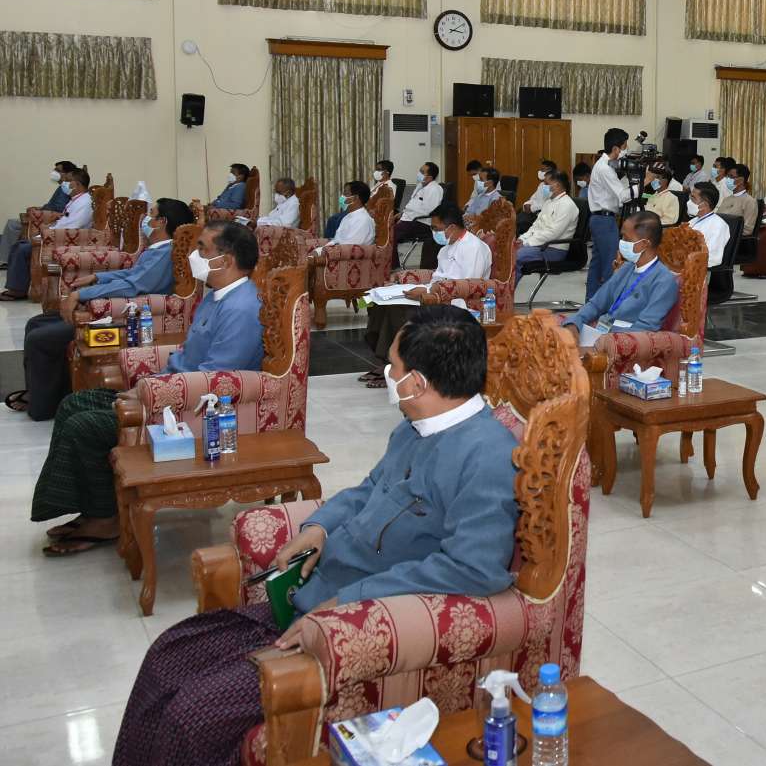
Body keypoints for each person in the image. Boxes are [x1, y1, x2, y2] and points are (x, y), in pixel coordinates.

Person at [114, 305, 518, 765]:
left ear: (418, 383)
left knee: (192, 715)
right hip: (311, 598)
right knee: (166, 657)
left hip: (346, 630)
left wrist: (352, 602)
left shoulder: (486, 457)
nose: (388, 374)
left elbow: (473, 568)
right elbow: (370, 489)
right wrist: (320, 527)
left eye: (393, 367)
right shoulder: (416, 428)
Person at [31, 221, 264, 556]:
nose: (193, 255)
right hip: (169, 391)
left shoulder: (241, 308)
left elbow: (216, 380)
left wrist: (147, 394)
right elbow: (186, 356)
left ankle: (105, 521)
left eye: (202, 248)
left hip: (194, 411)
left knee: (86, 427)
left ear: (225, 260)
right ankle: (97, 508)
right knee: (74, 404)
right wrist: (148, 384)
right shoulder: (216, 296)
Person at [10, 198, 193, 420]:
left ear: (162, 222)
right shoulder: (157, 249)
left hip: (126, 316)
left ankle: (43, 406)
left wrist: (82, 294)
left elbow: (134, 285)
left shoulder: (165, 253)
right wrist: (98, 277)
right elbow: (131, 274)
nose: (146, 220)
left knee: (40, 339)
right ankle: (40, 392)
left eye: (151, 215)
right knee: (36, 323)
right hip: (117, 306)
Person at [361, 203, 493, 384]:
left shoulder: (474, 248)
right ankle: (387, 362)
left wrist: (428, 291)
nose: (433, 232)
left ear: (451, 227)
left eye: (436, 228)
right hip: (434, 295)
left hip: (459, 303)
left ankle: (403, 367)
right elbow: (438, 276)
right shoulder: (446, 248)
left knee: (398, 310)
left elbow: (468, 284)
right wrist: (416, 288)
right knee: (378, 304)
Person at [564, 211, 679, 338]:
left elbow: (645, 328)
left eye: (626, 239)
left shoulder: (664, 281)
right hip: (600, 333)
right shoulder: (626, 268)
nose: (621, 242)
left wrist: (606, 339)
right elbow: (596, 304)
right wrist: (575, 322)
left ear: (644, 244)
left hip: (623, 342)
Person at [3, 167, 96, 299]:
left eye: (68, 181)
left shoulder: (85, 202)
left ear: (78, 184)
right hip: (56, 236)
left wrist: (47, 233)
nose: (64, 183)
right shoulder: (76, 199)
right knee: (19, 245)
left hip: (64, 241)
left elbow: (72, 226)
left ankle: (17, 290)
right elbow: (65, 220)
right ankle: (18, 287)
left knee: (22, 249)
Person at [0, 159, 76, 264]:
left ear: (67, 174)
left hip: (48, 220)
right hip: (44, 215)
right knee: (13, 223)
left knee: (12, 224)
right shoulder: (63, 187)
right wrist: (38, 208)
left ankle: (5, 260)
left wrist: (38, 211)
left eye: (58, 170)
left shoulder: (66, 188)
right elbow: (52, 206)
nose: (54, 172)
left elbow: (58, 209)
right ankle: (11, 259)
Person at [586, 130, 633, 299]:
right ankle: (606, 305)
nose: (626, 151)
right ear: (615, 149)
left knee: (597, 265)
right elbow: (623, 196)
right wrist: (646, 180)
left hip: (599, 219)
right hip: (605, 221)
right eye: (625, 147)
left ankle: (591, 302)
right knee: (610, 265)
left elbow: (614, 190)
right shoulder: (605, 168)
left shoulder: (604, 165)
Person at [515, 171, 580, 283]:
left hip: (554, 249)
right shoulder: (549, 202)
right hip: (539, 245)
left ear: (557, 185)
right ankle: (505, 291)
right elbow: (535, 226)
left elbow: (553, 233)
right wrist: (522, 238)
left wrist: (527, 243)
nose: (543, 187)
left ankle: (506, 292)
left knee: (515, 256)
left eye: (546, 184)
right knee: (509, 254)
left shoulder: (567, 205)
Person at [395, 161, 444, 269]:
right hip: (410, 219)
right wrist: (403, 214)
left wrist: (406, 216)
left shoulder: (435, 189)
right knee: (386, 230)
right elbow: (413, 205)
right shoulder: (421, 186)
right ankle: (390, 263)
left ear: (429, 177)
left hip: (421, 223)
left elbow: (429, 211)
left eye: (422, 172)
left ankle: (393, 266)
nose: (419, 173)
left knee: (391, 234)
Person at [325, 161, 391, 238]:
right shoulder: (377, 184)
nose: (376, 172)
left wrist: (372, 210)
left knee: (339, 219)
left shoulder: (390, 187)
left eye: (379, 170)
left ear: (386, 172)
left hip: (370, 212)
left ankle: (335, 240)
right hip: (363, 208)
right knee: (332, 219)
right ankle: (330, 240)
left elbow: (386, 205)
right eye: (376, 169)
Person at [687, 182, 730, 268]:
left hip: (697, 270)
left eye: (693, 198)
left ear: (705, 204)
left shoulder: (718, 226)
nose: (689, 201)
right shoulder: (693, 221)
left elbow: (711, 258)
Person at [644, 161, 680, 225]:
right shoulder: (654, 195)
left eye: (657, 177)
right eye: (653, 178)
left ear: (665, 180)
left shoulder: (672, 198)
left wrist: (650, 223)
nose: (653, 180)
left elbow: (669, 221)